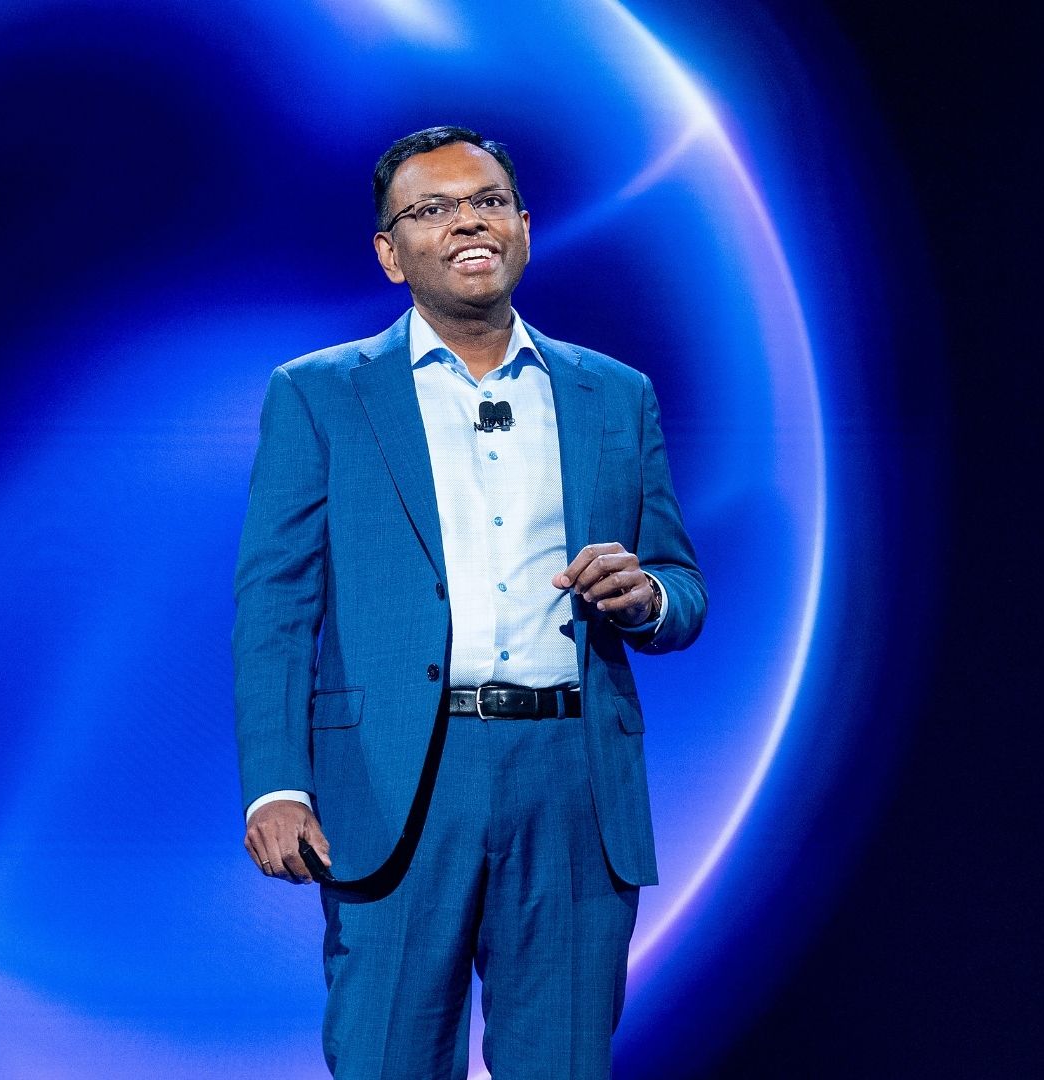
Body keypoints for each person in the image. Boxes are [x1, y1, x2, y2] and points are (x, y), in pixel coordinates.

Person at [233, 125, 706, 1079]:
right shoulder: (321, 394)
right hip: (397, 779)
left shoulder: (615, 394)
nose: (467, 223)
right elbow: (275, 605)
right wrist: (277, 783)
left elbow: (681, 584)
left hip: (572, 780)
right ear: (390, 253)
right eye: (432, 210)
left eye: (488, 202)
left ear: (524, 226)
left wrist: (647, 595)